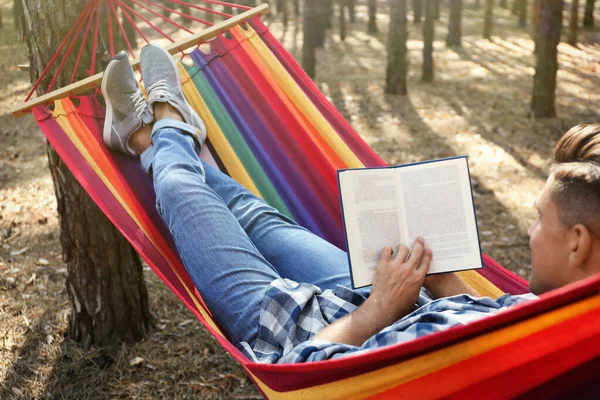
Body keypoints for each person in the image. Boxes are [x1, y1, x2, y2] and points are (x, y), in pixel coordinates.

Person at [101, 46, 600, 363]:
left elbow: (304, 369)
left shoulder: (555, 340)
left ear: (578, 242)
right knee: (253, 213)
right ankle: (156, 132)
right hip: (386, 299)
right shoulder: (549, 317)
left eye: (539, 218)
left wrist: (381, 306)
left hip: (289, 326)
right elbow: (478, 324)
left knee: (183, 193)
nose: (531, 232)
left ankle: (159, 126)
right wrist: (440, 279)